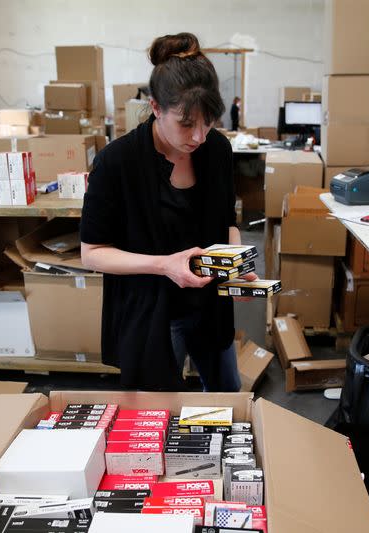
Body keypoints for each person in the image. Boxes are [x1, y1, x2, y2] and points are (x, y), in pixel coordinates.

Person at [80, 32, 255, 392]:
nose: (199, 137)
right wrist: (163, 265)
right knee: (157, 409)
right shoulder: (117, 163)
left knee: (225, 395)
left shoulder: (217, 150)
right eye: (187, 124)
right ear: (156, 107)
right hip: (152, 311)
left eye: (208, 122)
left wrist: (236, 262)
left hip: (210, 303)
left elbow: (227, 221)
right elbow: (92, 254)